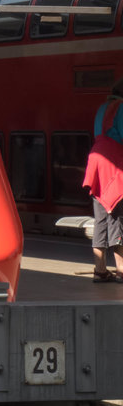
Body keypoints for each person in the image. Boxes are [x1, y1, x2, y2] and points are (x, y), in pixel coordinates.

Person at [83, 82, 123, 282]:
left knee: (100, 218)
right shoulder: (122, 107)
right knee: (117, 215)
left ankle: (99, 270)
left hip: (96, 160)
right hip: (113, 162)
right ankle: (121, 270)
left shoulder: (101, 108)